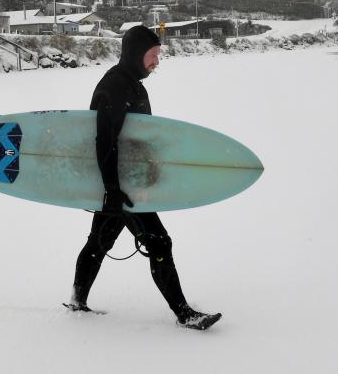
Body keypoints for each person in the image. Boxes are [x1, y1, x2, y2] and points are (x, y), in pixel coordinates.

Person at [64, 25, 221, 330]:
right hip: (123, 187)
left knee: (99, 242)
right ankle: (184, 314)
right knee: (159, 243)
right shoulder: (115, 86)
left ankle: (77, 302)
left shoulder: (133, 84)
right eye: (153, 55)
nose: (157, 62)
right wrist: (112, 190)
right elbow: (104, 141)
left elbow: (138, 138)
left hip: (128, 182)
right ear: (137, 54)